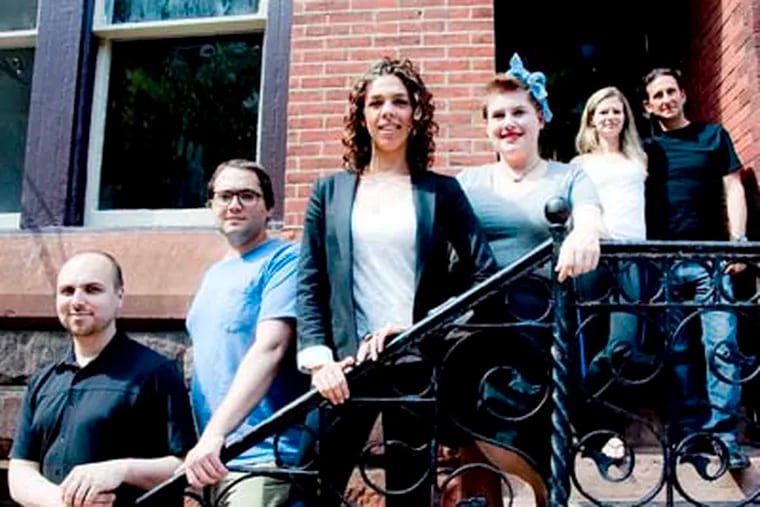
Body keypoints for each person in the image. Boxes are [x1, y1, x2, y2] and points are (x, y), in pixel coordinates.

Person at [296, 57, 498, 506]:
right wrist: (318, 361)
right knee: (312, 487)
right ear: (361, 115)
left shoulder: (440, 192)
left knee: (410, 495)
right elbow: (310, 283)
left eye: (400, 102)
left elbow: (483, 273)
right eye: (376, 102)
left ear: (415, 114)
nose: (388, 111)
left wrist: (423, 329)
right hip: (344, 371)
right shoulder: (328, 192)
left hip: (415, 365)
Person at [455, 53, 604, 504]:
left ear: (539, 117)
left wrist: (584, 233)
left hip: (544, 329)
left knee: (541, 447)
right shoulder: (467, 182)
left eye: (519, 112)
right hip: (479, 333)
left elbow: (594, 218)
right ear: (486, 127)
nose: (508, 123)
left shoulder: (569, 175)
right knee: (478, 449)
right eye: (498, 115)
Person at [9, 251, 197, 507]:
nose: (77, 301)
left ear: (119, 296)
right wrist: (63, 502)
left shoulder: (156, 373)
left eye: (92, 290)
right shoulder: (44, 380)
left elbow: (185, 467)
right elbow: (20, 471)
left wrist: (120, 470)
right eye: (67, 291)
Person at [642, 67, 749, 470]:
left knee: (722, 346)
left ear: (684, 94)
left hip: (712, 258)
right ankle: (689, 436)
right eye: (658, 95)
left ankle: (724, 438)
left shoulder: (712, 136)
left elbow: (733, 186)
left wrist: (740, 243)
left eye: (672, 91)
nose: (666, 99)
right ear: (648, 105)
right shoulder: (648, 147)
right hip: (663, 263)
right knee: (679, 352)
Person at [183, 159, 307, 506]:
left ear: (269, 207)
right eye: (224, 196)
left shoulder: (284, 259)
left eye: (247, 196)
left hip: (264, 458)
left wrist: (215, 434)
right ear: (211, 206)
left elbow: (271, 348)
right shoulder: (214, 274)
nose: (234, 204)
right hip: (215, 461)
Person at [570, 86, 654, 463]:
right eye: (602, 112)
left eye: (616, 111)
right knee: (587, 337)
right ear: (591, 119)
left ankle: (594, 415)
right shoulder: (579, 163)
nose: (610, 118)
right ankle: (601, 432)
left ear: (626, 117)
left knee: (622, 346)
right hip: (595, 255)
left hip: (634, 256)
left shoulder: (639, 158)